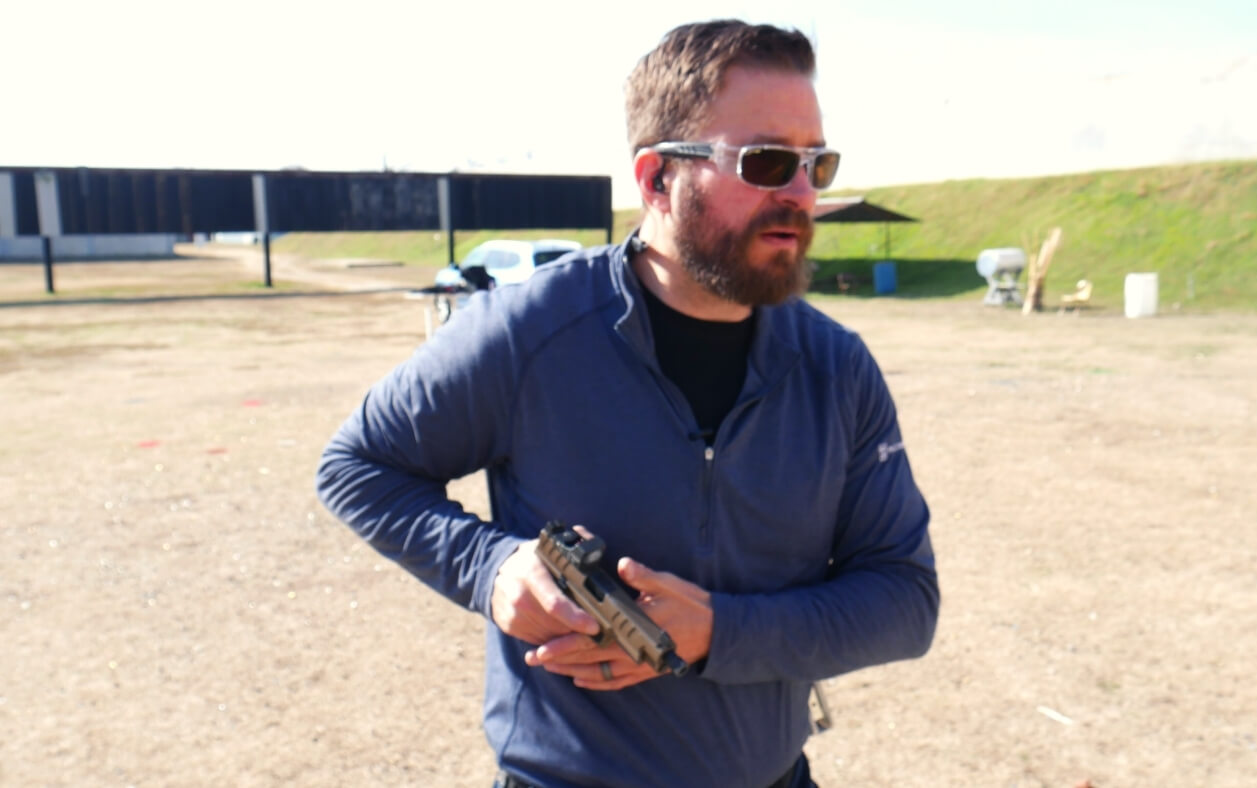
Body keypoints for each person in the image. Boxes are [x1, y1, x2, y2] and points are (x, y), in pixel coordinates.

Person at [316, 19, 939, 788]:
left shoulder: (836, 368)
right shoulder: (529, 332)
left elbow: (904, 600)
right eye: (769, 161)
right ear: (655, 180)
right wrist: (491, 566)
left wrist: (720, 632)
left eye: (817, 163)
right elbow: (357, 467)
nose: (803, 194)